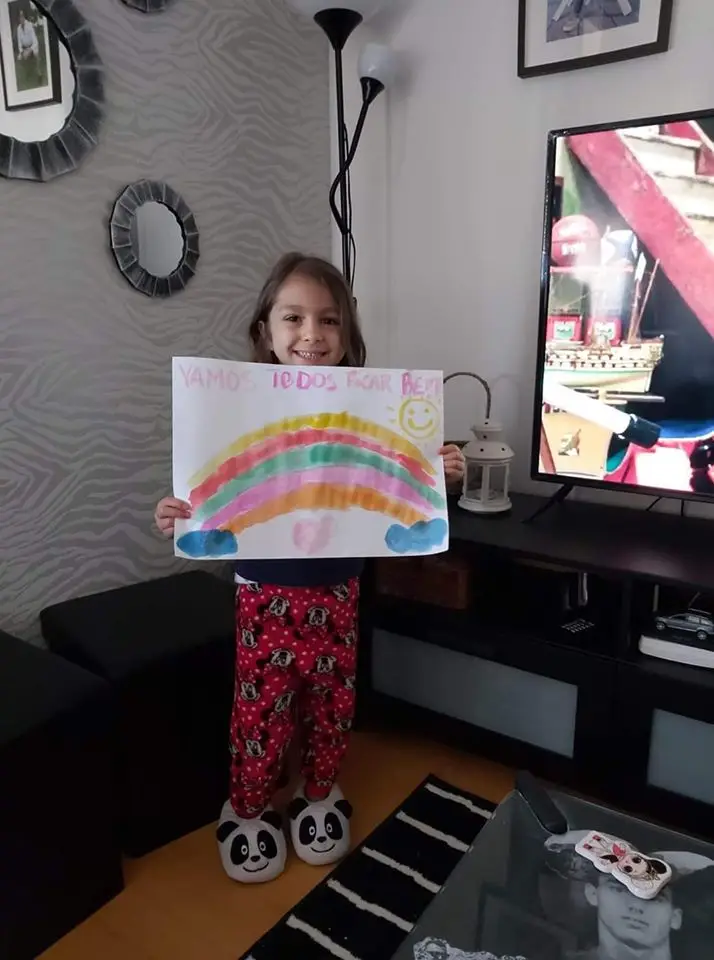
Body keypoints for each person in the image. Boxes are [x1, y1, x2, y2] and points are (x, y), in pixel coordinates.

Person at [154, 252, 465, 883]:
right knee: (261, 713)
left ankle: (319, 792)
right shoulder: (232, 408)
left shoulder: (370, 407)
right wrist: (177, 515)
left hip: (338, 592)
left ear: (346, 333)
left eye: (329, 320)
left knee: (331, 704)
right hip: (263, 596)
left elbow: (397, 482)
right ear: (265, 330)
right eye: (293, 318)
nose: (311, 335)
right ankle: (246, 808)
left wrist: (440, 475)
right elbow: (211, 487)